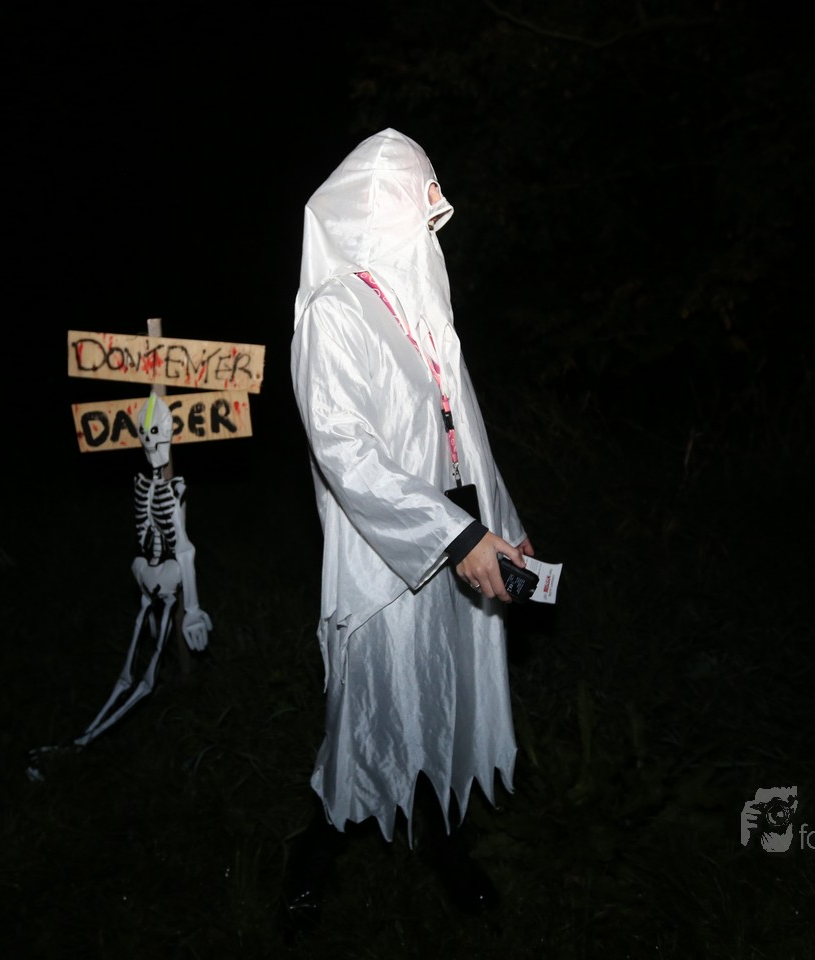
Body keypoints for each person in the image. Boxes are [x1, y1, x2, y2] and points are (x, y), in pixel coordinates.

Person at [285, 128, 533, 928]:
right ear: (378, 210)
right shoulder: (333, 312)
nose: (431, 230)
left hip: (463, 534)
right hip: (386, 551)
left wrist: (502, 526)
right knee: (371, 705)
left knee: (447, 687)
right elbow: (345, 452)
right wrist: (451, 536)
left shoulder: (422, 304)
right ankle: (316, 852)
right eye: (419, 212)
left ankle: (445, 843)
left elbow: (468, 428)